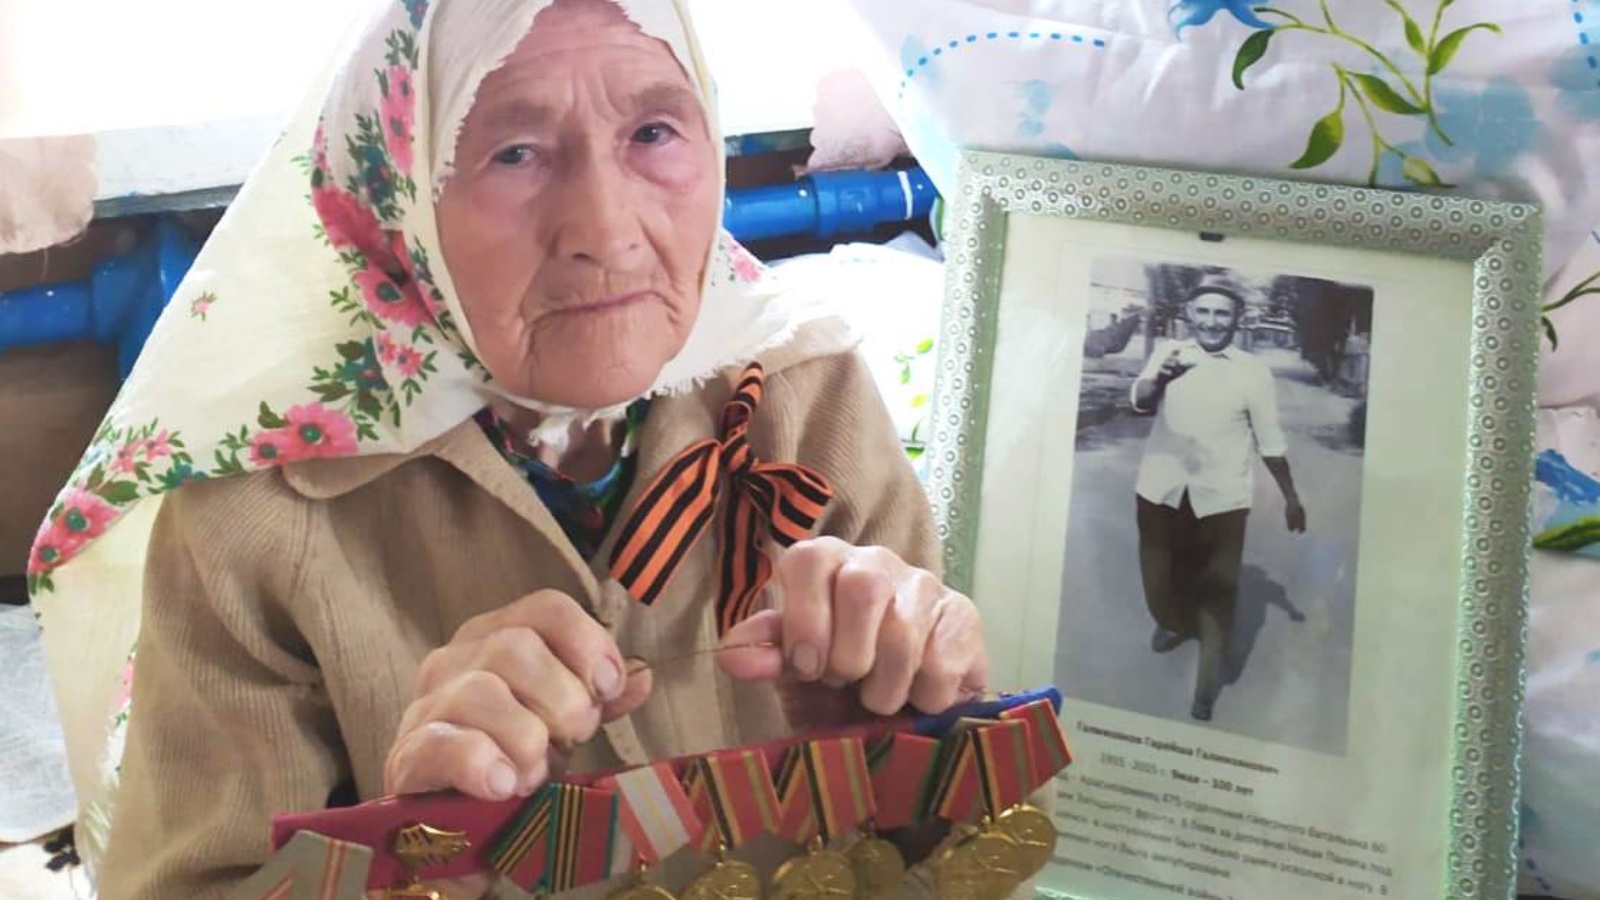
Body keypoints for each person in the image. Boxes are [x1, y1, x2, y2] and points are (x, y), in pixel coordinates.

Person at [26, 1, 993, 897]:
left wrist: (915, 756)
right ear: (399, 193)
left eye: (654, 133)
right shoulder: (256, 519)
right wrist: (417, 849)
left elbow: (961, 846)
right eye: (516, 153)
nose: (605, 231)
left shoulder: (808, 394)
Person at [1128, 279, 1306, 722]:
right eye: (1204, 311)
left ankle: (1206, 687)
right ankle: (1173, 619)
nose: (1212, 322)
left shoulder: (1252, 372)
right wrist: (1161, 378)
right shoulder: (1169, 352)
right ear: (1190, 314)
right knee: (1158, 585)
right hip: (1161, 492)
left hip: (1222, 501)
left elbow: (1269, 439)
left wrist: (1291, 497)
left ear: (1236, 319)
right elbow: (1140, 401)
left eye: (1222, 313)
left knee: (1217, 594)